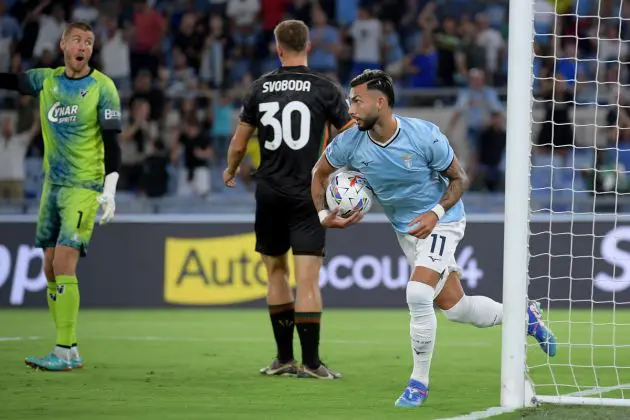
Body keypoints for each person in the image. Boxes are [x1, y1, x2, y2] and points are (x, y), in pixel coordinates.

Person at [311, 70, 557, 406]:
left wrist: (435, 213)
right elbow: (319, 173)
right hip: (407, 230)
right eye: (349, 100)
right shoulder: (349, 143)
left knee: (417, 292)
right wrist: (325, 215)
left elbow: (459, 179)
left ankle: (418, 382)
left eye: (357, 100)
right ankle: (523, 316)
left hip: (443, 220)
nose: (349, 107)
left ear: (380, 102)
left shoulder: (423, 135)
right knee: (456, 308)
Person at [224, 19, 353, 379]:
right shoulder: (325, 88)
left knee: (275, 274)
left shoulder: (259, 88)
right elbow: (351, 135)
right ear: (308, 46)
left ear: (278, 48)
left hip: (269, 193)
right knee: (308, 281)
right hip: (309, 194)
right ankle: (311, 363)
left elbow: (237, 144)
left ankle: (283, 358)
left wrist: (231, 170)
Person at [0, 21, 122, 371]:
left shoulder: (103, 87)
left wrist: (109, 188)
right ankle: (69, 348)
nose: (84, 46)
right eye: (77, 40)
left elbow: (113, 142)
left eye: (89, 41)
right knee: (50, 267)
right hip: (51, 187)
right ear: (64, 44)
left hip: (83, 186)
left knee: (65, 262)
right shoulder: (46, 80)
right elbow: (11, 80)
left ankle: (64, 350)